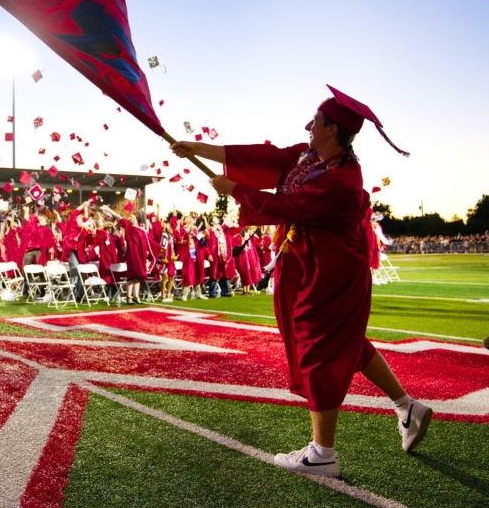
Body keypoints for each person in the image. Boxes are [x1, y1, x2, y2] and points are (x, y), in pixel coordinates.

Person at [171, 86, 428, 477]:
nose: (310, 126)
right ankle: (407, 406)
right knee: (345, 343)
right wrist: (195, 148)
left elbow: (287, 207)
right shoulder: (310, 158)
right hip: (311, 264)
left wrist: (236, 190)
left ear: (334, 130)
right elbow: (261, 156)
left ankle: (323, 453)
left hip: (333, 273)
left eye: (318, 121)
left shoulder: (342, 181)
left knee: (318, 347)